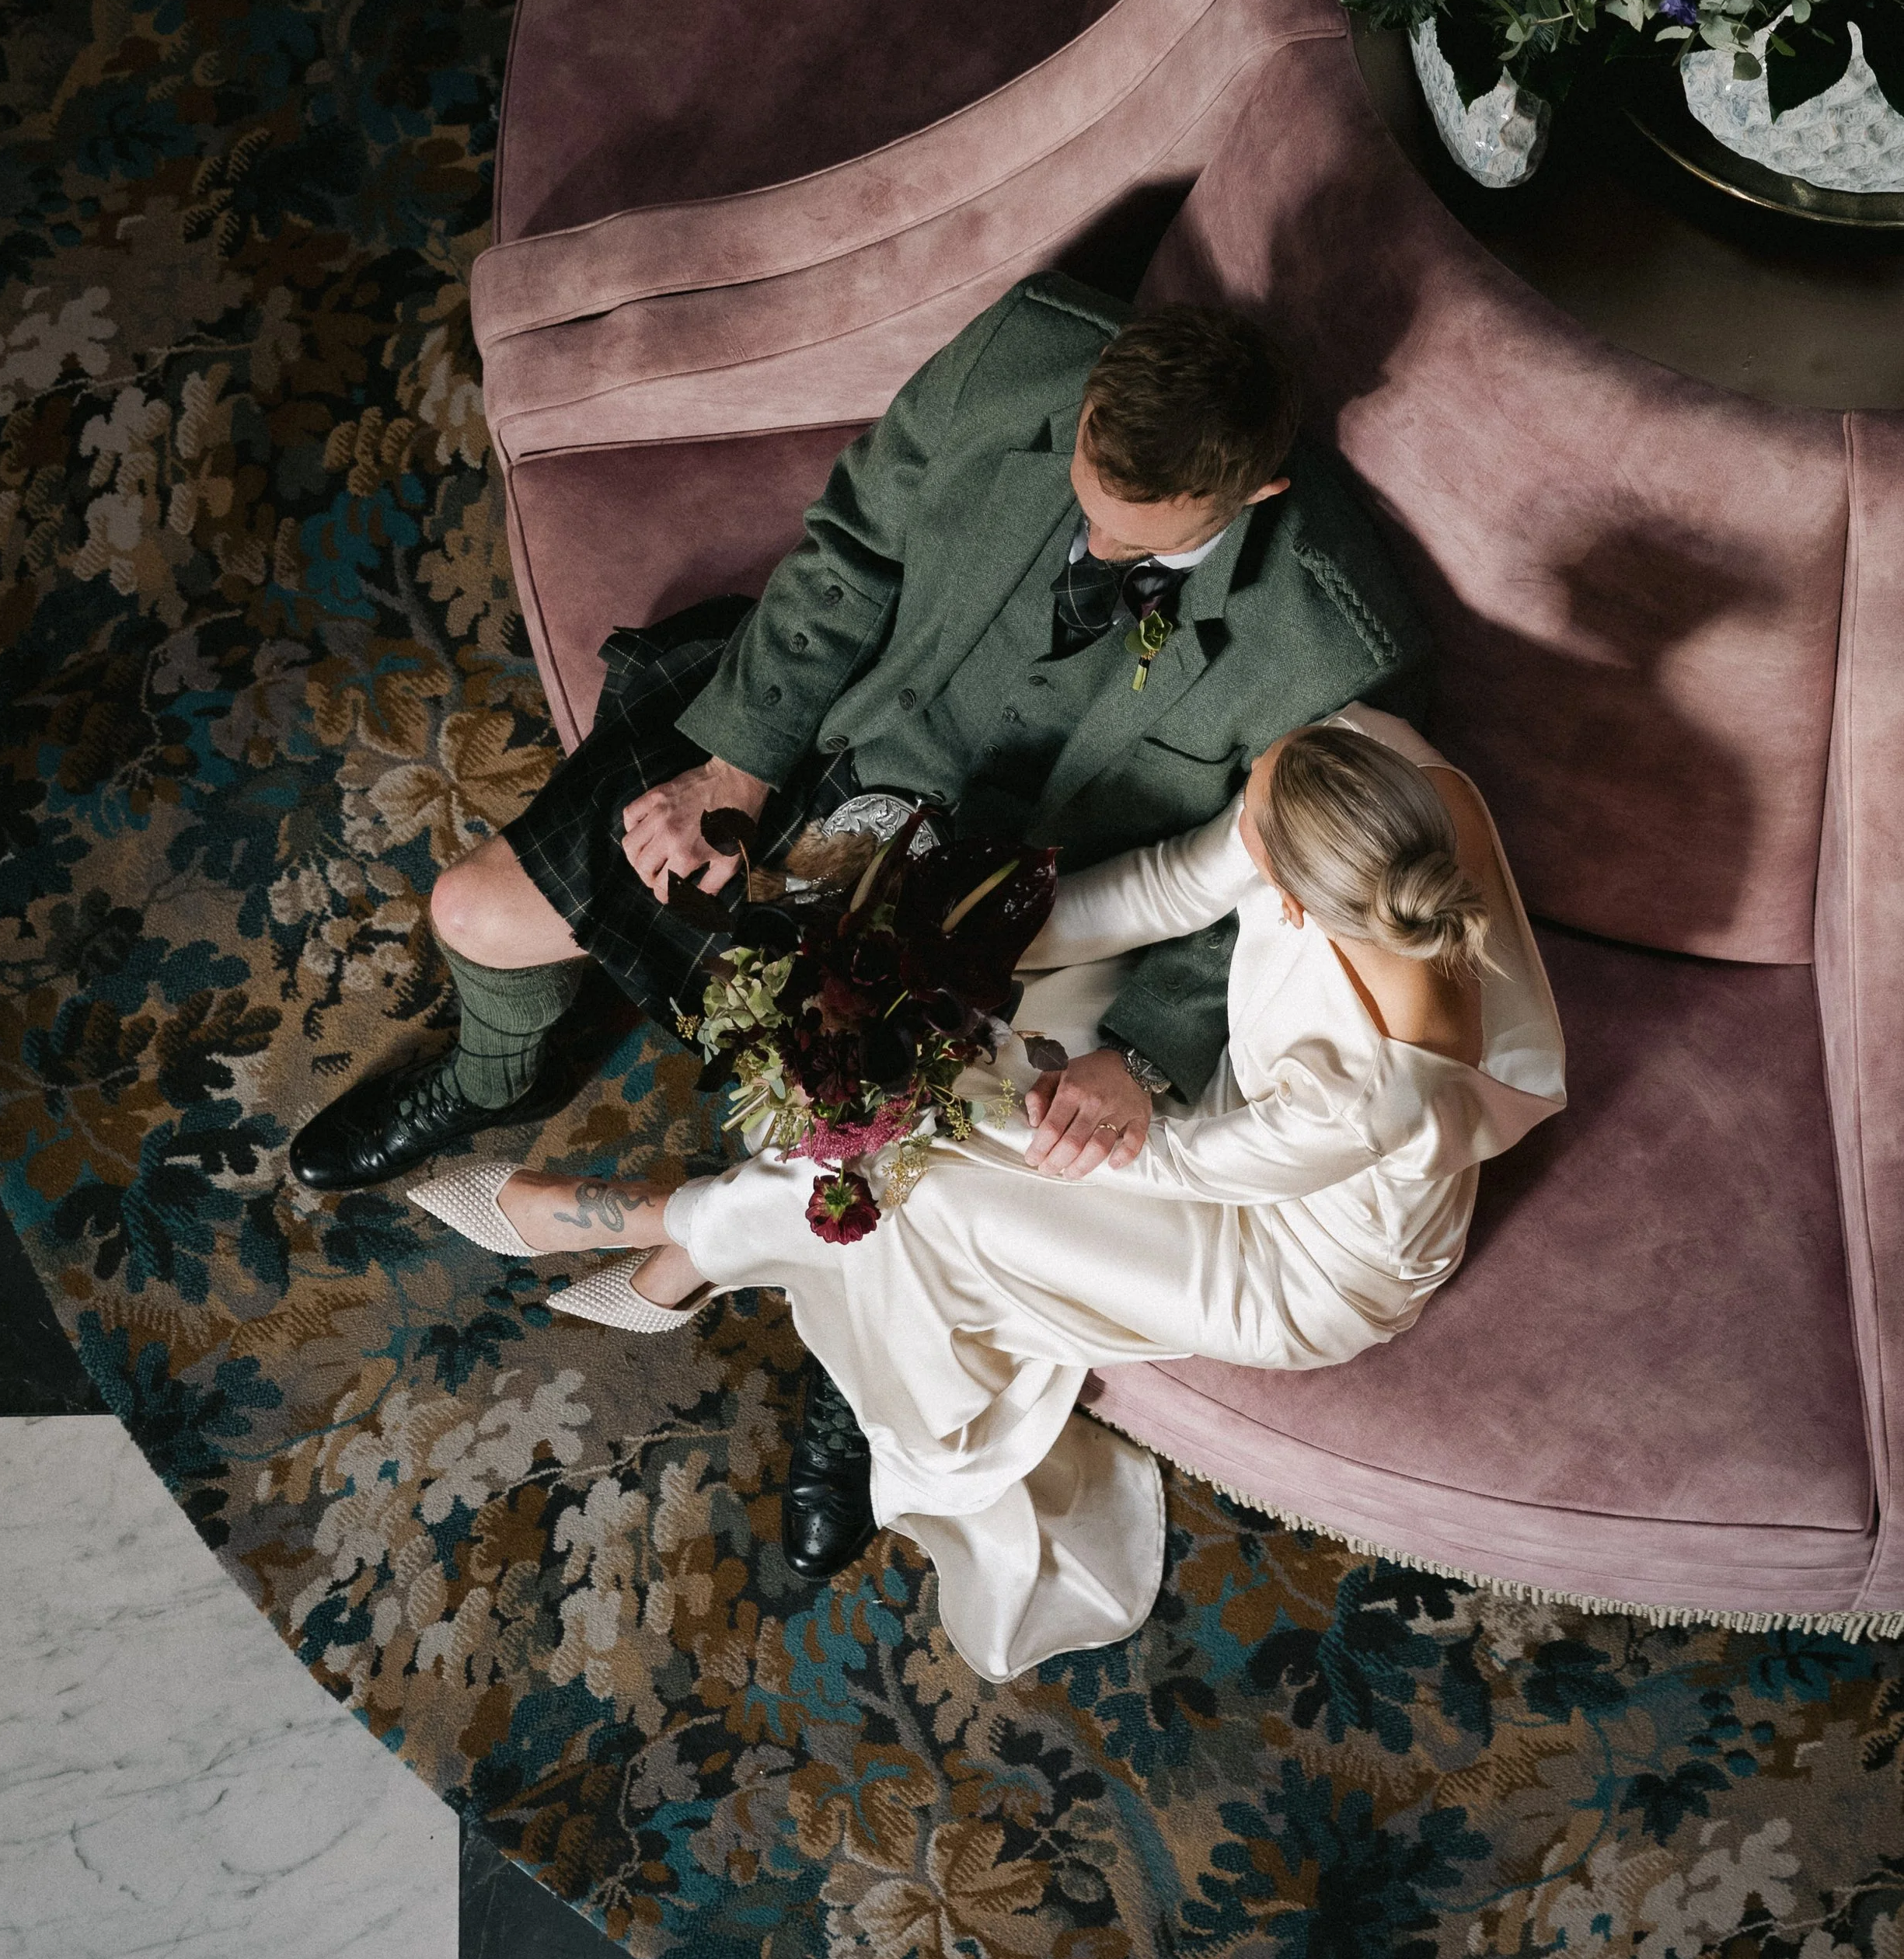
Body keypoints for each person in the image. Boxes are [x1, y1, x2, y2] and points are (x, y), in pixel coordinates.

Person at [288, 274, 1431, 1577]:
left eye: (1133, 541)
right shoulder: (1026, 350)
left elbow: (1265, 883)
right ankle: (502, 1070)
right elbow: (850, 548)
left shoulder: (1337, 649)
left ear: (1256, 500)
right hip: (824, 743)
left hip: (1004, 911)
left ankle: (860, 1366)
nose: (1092, 544)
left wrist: (1148, 1053)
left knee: (892, 1162)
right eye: (1085, 493)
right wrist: (735, 764)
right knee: (474, 910)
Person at [407, 706, 1564, 1680]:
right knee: (904, 1124)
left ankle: (674, 1229)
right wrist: (946, 946)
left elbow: (1178, 1161)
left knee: (927, 1187)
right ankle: (675, 1248)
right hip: (1236, 1140)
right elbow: (1169, 886)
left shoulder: (1384, 1093)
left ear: (1304, 911)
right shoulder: (1346, 762)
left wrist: (954, 1077)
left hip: (1296, 1264)